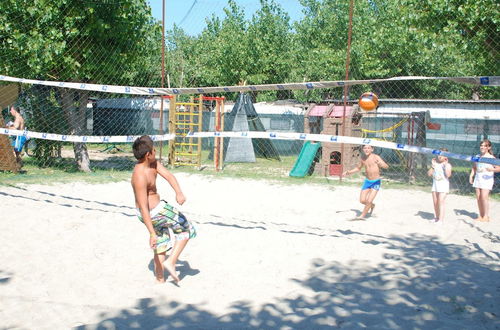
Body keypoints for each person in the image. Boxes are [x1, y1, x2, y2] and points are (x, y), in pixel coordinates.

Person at [131, 135, 196, 283]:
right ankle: (171, 261)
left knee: (162, 242)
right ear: (148, 154)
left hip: (153, 213)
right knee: (187, 229)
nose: (155, 151)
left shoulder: (153, 163)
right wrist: (151, 233)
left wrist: (178, 192)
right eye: (154, 150)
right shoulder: (139, 176)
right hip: (153, 212)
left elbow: (169, 176)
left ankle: (160, 278)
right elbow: (143, 206)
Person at [343, 145, 389, 219]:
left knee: (369, 200)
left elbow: (386, 166)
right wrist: (348, 172)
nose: (366, 150)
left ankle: (362, 216)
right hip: (367, 181)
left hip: (376, 182)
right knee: (362, 200)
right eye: (365, 148)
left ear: (372, 149)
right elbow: (358, 168)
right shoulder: (363, 159)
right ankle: (372, 205)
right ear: (363, 149)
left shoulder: (376, 157)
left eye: (368, 148)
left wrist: (381, 164)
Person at [469, 139, 500, 222]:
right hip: (478, 178)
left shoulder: (491, 158)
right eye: (481, 145)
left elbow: (498, 168)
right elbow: (474, 167)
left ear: (489, 147)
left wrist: (491, 169)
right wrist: (471, 175)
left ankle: (486, 216)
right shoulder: (477, 156)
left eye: (484, 146)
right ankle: (481, 215)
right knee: (478, 197)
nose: (482, 147)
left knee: (484, 197)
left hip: (487, 180)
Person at [427, 148, 452, 223]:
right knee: (435, 203)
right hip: (435, 186)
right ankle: (437, 218)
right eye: (439, 154)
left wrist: (445, 166)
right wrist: (433, 166)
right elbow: (429, 174)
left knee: (441, 202)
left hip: (443, 186)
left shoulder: (447, 165)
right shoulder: (435, 164)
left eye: (442, 154)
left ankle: (441, 220)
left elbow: (448, 175)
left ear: (446, 157)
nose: (440, 156)